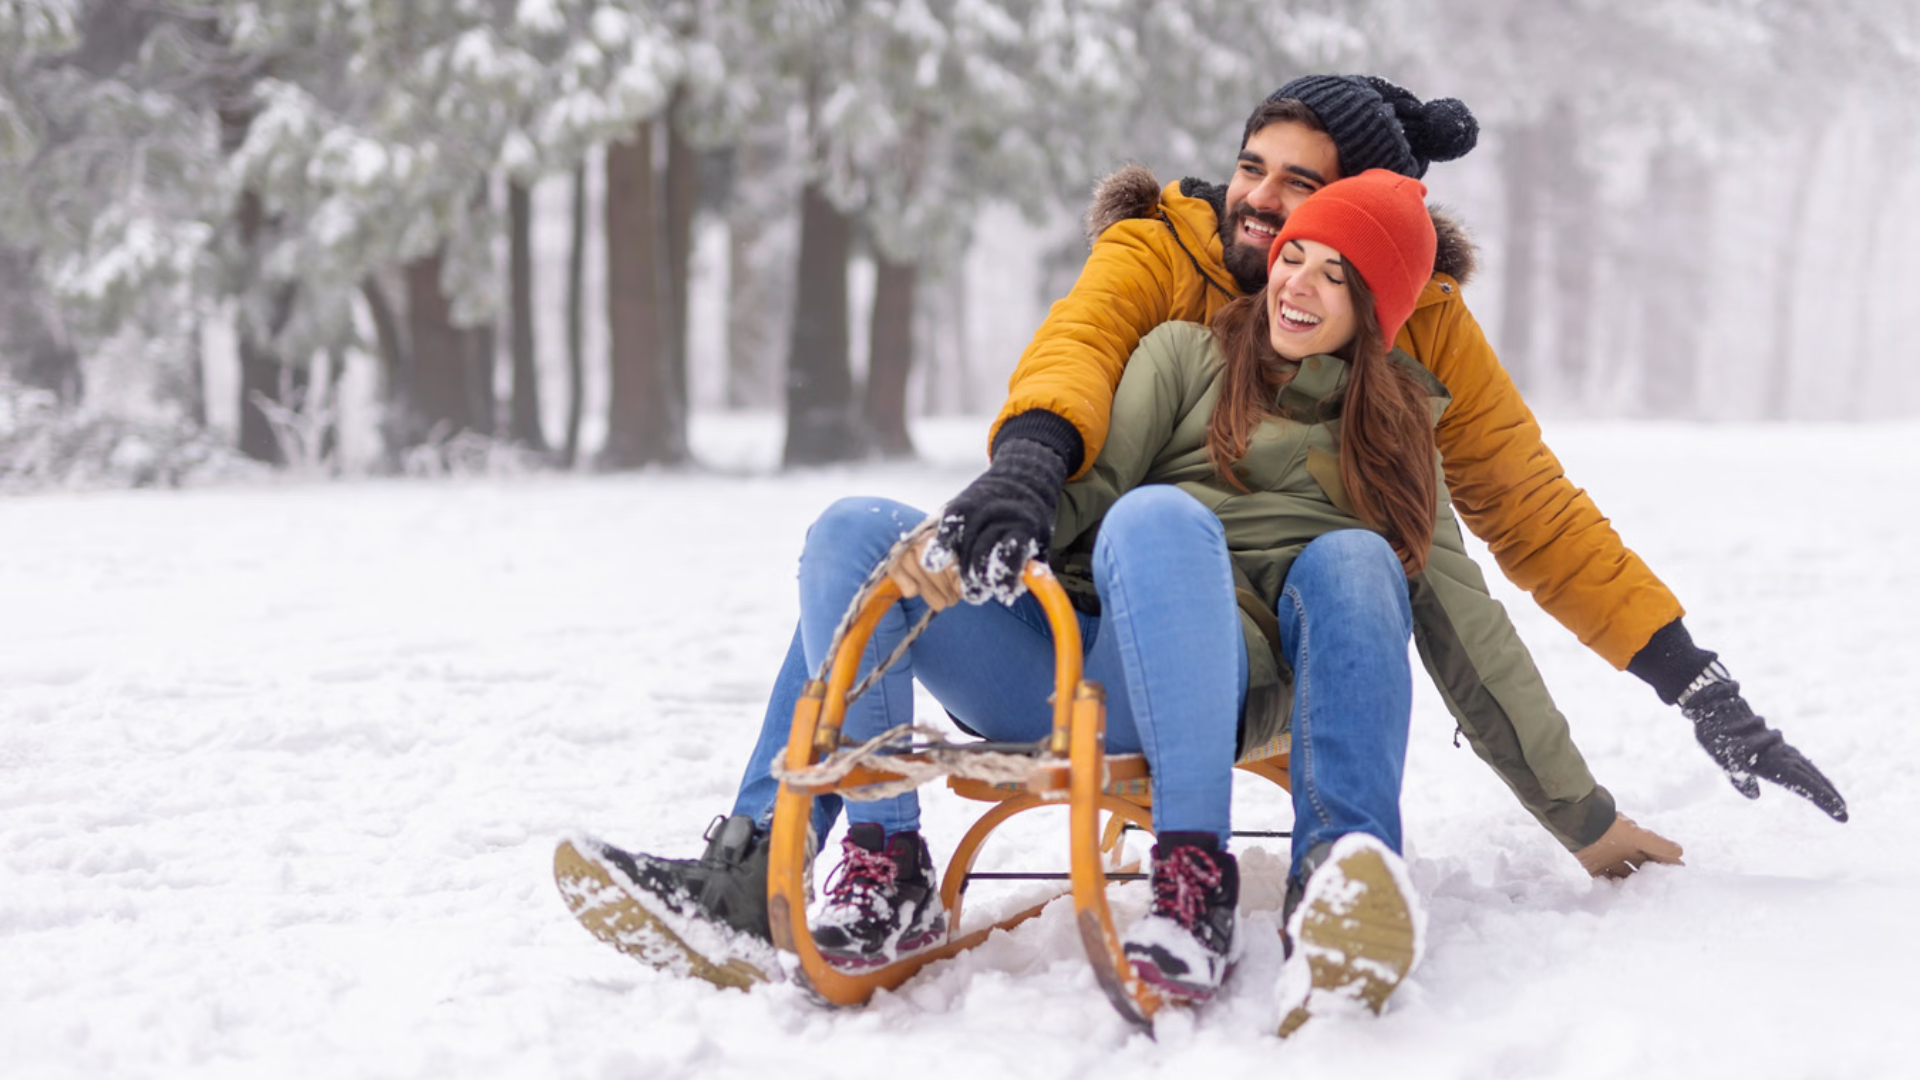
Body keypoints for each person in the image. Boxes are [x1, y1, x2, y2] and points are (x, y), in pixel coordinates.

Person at [554, 74, 1846, 995]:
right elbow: (1077, 361)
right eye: (1254, 171)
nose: (1268, 218)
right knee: (860, 536)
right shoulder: (1171, 282)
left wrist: (1685, 688)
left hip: (1255, 661)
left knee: (1335, 555)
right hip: (1096, 632)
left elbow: (1515, 535)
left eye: (1311, 204)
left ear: (1372, 243)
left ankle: (1275, 869)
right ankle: (843, 861)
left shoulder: (1415, 361)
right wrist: (1014, 482)